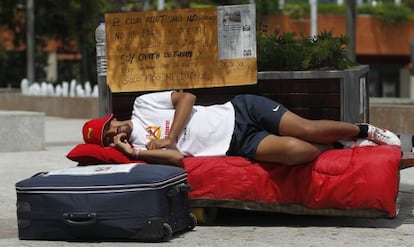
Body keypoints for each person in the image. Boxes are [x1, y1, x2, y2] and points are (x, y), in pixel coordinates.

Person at [82, 91, 401, 166]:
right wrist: (134, 151)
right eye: (108, 139)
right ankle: (343, 147)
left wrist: (170, 136)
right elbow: (180, 160)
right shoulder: (141, 153)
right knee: (293, 153)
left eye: (108, 127)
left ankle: (364, 131)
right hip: (234, 144)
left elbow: (187, 97)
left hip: (240, 110)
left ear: (113, 119)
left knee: (305, 129)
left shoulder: (142, 105)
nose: (113, 133)